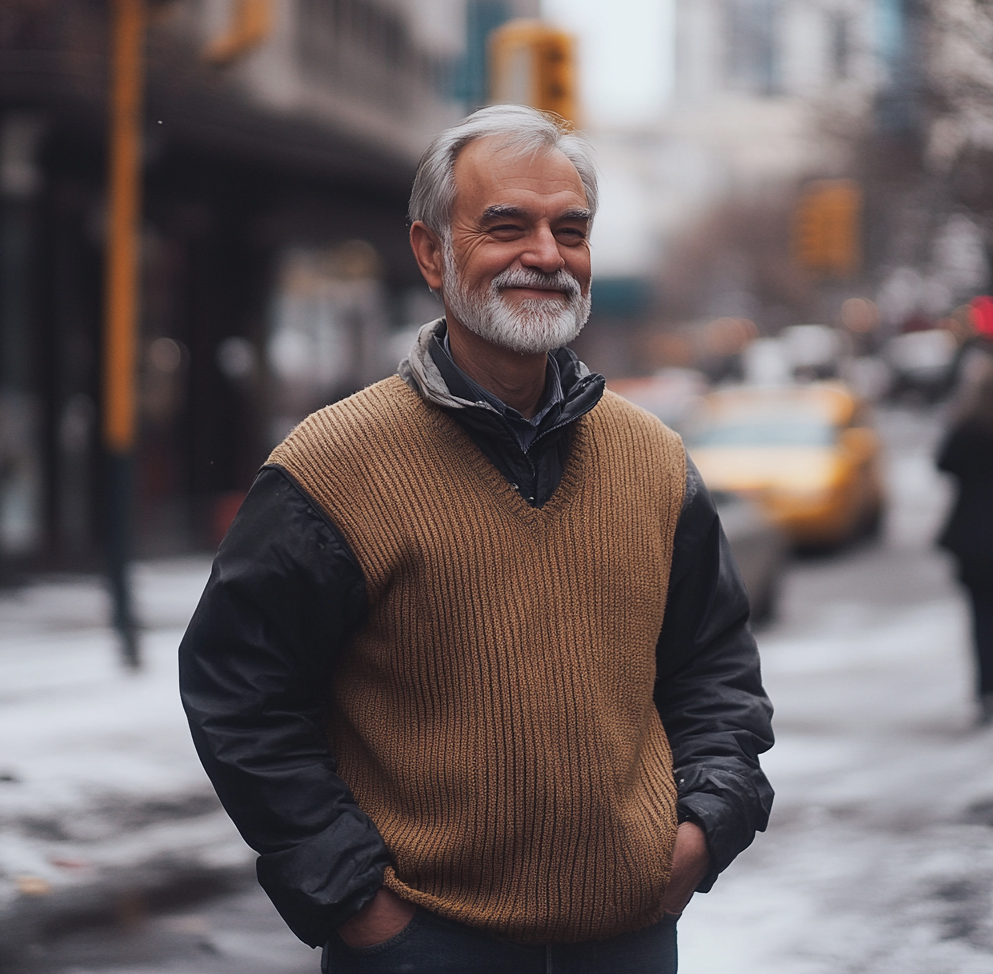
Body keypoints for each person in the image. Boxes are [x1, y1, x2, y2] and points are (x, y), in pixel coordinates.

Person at [179, 105, 774, 974]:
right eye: (507, 227)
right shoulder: (332, 467)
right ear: (431, 252)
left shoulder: (654, 460)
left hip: (629, 940)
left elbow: (714, 672)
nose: (546, 254)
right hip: (422, 944)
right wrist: (354, 900)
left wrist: (700, 831)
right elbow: (240, 692)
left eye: (570, 230)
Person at [938, 353, 993, 727]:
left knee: (982, 618)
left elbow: (943, 463)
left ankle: (989, 689)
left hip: (974, 537)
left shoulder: (969, 426)